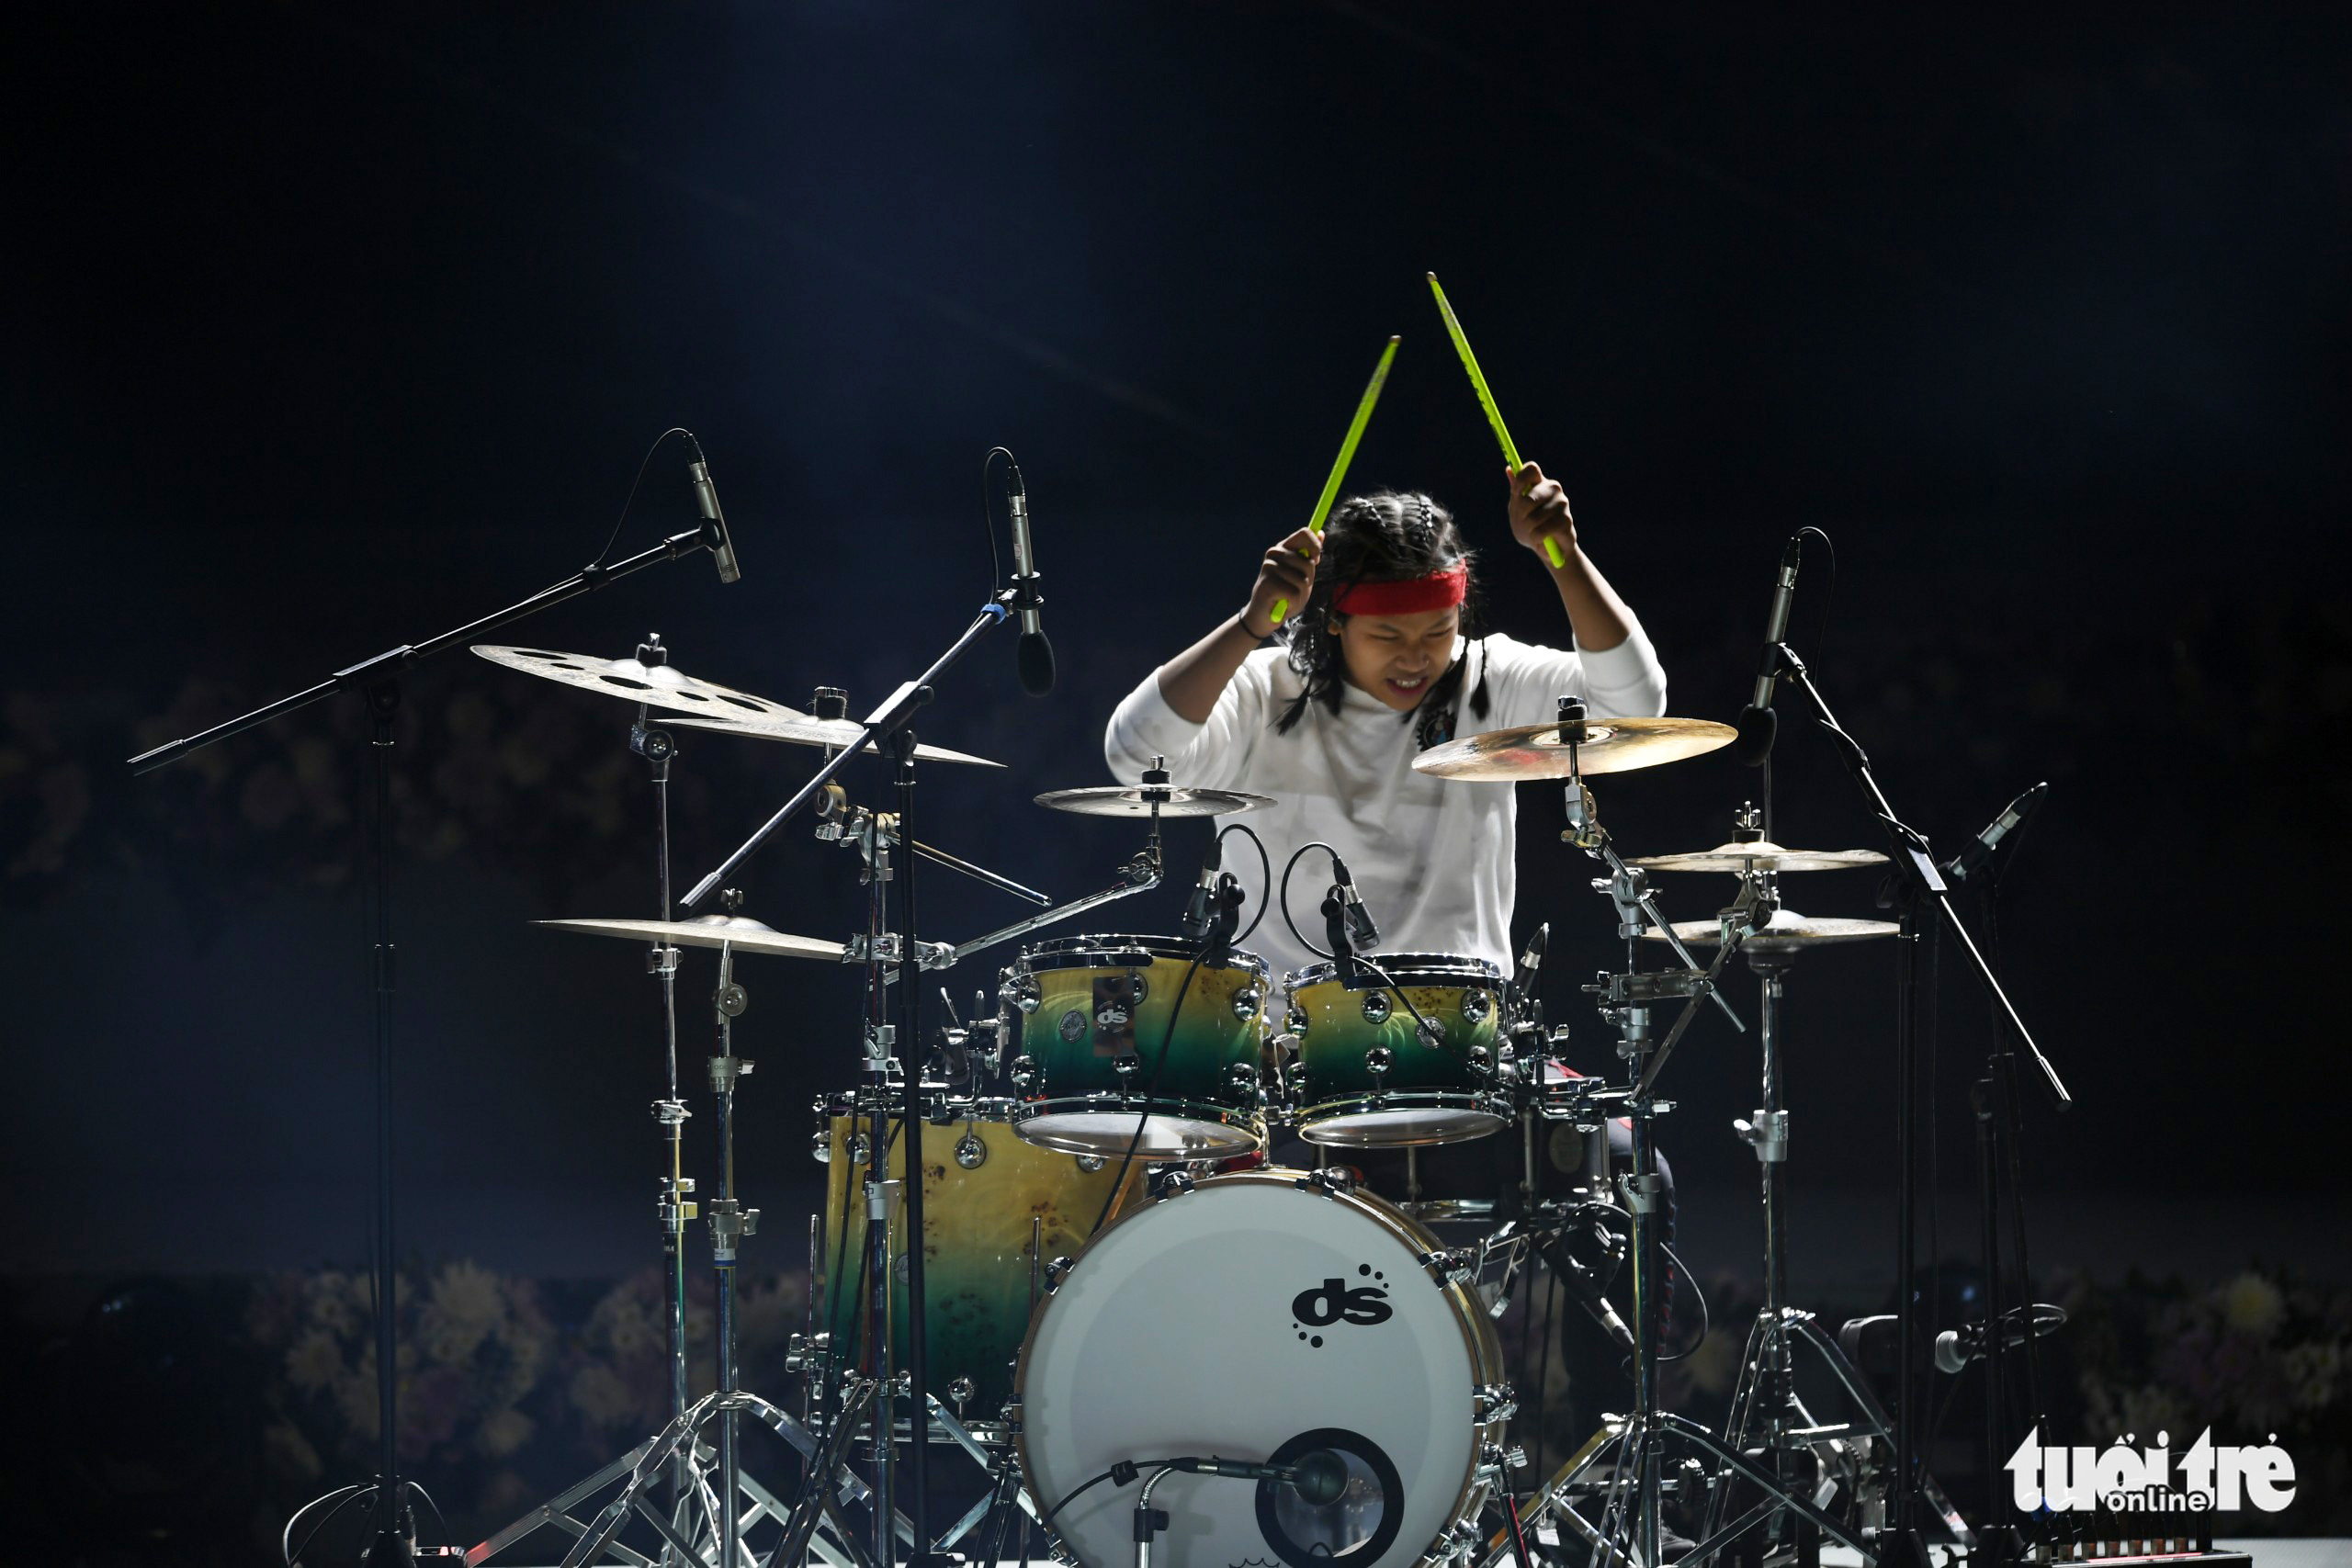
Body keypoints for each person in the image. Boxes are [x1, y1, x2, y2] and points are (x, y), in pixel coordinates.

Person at [1103, 462, 1667, 979]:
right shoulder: (1261, 688)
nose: (1416, 657)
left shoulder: (1488, 676)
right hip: (1274, 1043)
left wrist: (1562, 557)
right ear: (1332, 621)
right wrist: (1250, 624)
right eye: (1386, 636)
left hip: (1462, 1039)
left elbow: (1635, 709)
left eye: (1438, 631)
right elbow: (1135, 758)